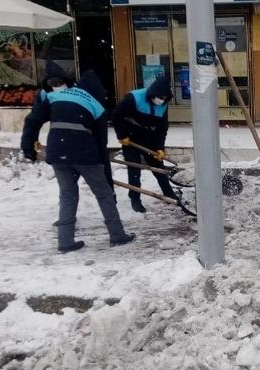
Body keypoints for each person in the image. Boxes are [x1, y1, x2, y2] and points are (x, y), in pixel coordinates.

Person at [36, 70, 135, 253]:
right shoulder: (94, 104)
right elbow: (101, 143)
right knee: (103, 194)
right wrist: (105, 174)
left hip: (57, 153)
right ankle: (117, 235)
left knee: (67, 195)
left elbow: (37, 118)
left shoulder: (56, 98)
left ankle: (65, 241)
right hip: (85, 153)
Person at [112, 74, 175, 213]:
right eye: (160, 97)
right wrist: (122, 135)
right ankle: (135, 198)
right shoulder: (133, 98)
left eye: (165, 98)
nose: (161, 100)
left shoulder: (163, 105)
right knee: (134, 168)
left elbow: (162, 129)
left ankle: (169, 194)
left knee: (158, 166)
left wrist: (159, 147)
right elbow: (116, 115)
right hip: (131, 138)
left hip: (149, 139)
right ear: (153, 94)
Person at [21, 60, 74, 162]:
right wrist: (29, 148)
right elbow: (33, 122)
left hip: (82, 145)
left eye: (60, 82)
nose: (57, 85)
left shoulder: (77, 92)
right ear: (48, 85)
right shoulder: (45, 97)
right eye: (53, 83)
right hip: (58, 144)